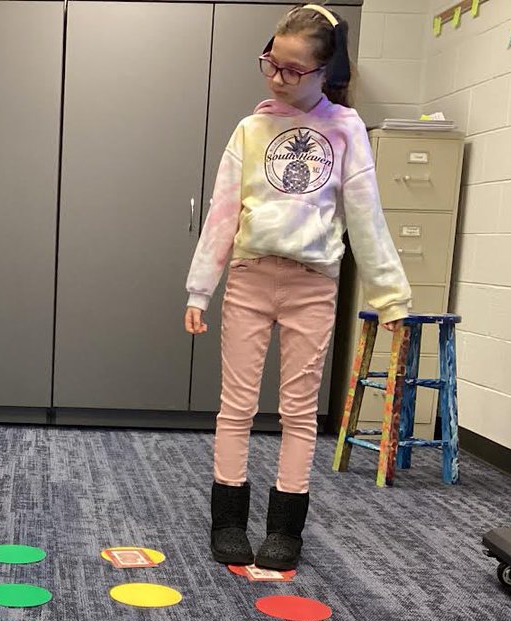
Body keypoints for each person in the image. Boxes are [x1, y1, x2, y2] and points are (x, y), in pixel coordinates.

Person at [185, 4, 410, 571]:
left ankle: (285, 529)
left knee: (299, 413)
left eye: (291, 70)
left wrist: (391, 298)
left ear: (323, 72)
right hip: (250, 278)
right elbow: (223, 213)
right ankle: (228, 519)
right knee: (235, 408)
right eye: (270, 64)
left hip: (313, 284)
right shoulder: (251, 128)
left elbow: (365, 214)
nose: (276, 78)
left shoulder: (346, 130)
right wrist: (198, 290)